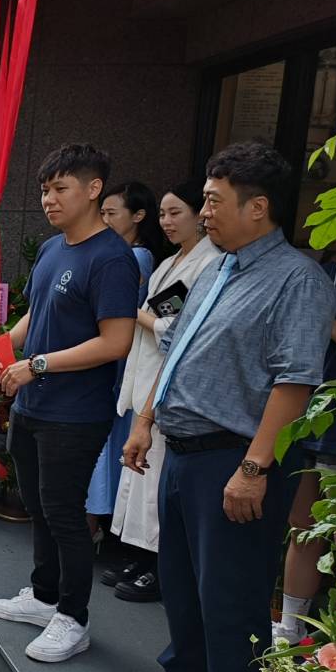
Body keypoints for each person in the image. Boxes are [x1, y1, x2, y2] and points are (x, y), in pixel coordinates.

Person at [107, 141, 333, 672]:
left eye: (213, 200)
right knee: (180, 581)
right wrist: (146, 420)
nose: (203, 211)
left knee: (232, 596)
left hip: (237, 460)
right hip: (184, 451)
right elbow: (173, 346)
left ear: (257, 207)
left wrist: (256, 468)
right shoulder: (215, 270)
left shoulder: (297, 280)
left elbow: (295, 383)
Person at [0, 144, 139, 663]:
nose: (49, 199)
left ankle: (73, 619)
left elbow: (115, 342)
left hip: (76, 412)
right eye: (45, 190)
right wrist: (5, 347)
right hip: (33, 402)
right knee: (40, 504)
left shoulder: (112, 259)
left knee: (66, 513)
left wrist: (38, 366)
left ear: (94, 190)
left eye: (60, 188)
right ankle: (44, 597)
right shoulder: (53, 250)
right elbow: (37, 314)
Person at [105, 181, 219, 601]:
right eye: (164, 214)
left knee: (156, 486)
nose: (168, 222)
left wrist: (136, 315)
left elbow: (176, 330)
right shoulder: (169, 263)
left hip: (168, 383)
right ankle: (140, 556)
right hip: (144, 374)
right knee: (140, 480)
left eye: (177, 213)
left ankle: (157, 567)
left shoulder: (208, 265)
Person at [273, 221, 336, 642]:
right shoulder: (327, 273)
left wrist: (327, 322)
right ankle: (290, 629)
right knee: (301, 526)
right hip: (308, 415)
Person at [86, 182, 167, 535]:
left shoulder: (136, 257)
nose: (104, 219)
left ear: (138, 216)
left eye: (111, 213)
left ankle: (94, 522)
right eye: (101, 212)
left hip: (119, 362)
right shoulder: (130, 255)